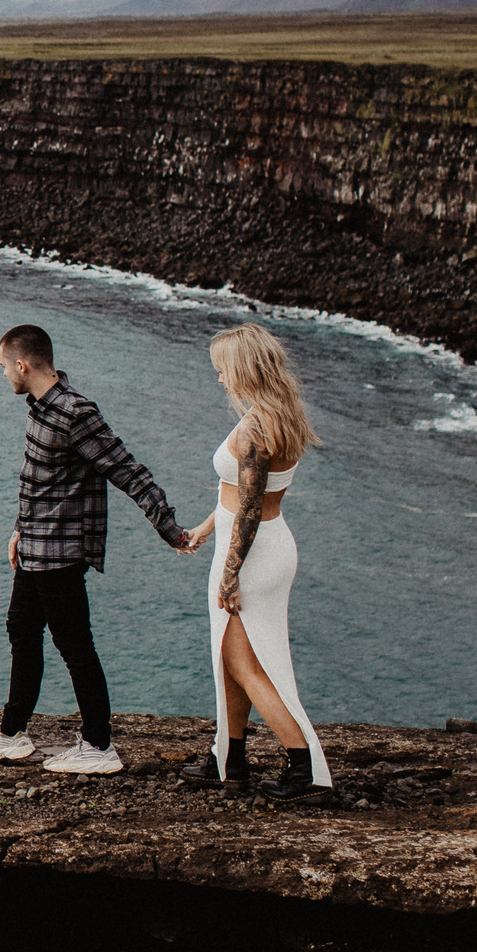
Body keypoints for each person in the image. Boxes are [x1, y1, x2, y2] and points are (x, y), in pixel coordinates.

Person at [0, 323, 200, 774]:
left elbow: (128, 470)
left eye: (2, 368)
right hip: (34, 545)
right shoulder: (39, 408)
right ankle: (13, 734)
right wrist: (19, 528)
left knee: (74, 645)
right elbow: (35, 480)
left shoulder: (76, 413)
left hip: (61, 552)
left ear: (21, 364)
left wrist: (170, 529)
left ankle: (98, 745)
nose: (3, 377)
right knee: (21, 630)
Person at [177, 323, 334, 804]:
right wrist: (207, 527)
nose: (221, 380)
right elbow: (243, 497)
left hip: (250, 553)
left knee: (244, 662)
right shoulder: (280, 414)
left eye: (223, 371)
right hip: (262, 543)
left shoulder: (253, 430)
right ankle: (230, 757)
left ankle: (303, 766)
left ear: (243, 369)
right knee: (232, 655)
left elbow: (248, 509)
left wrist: (228, 573)